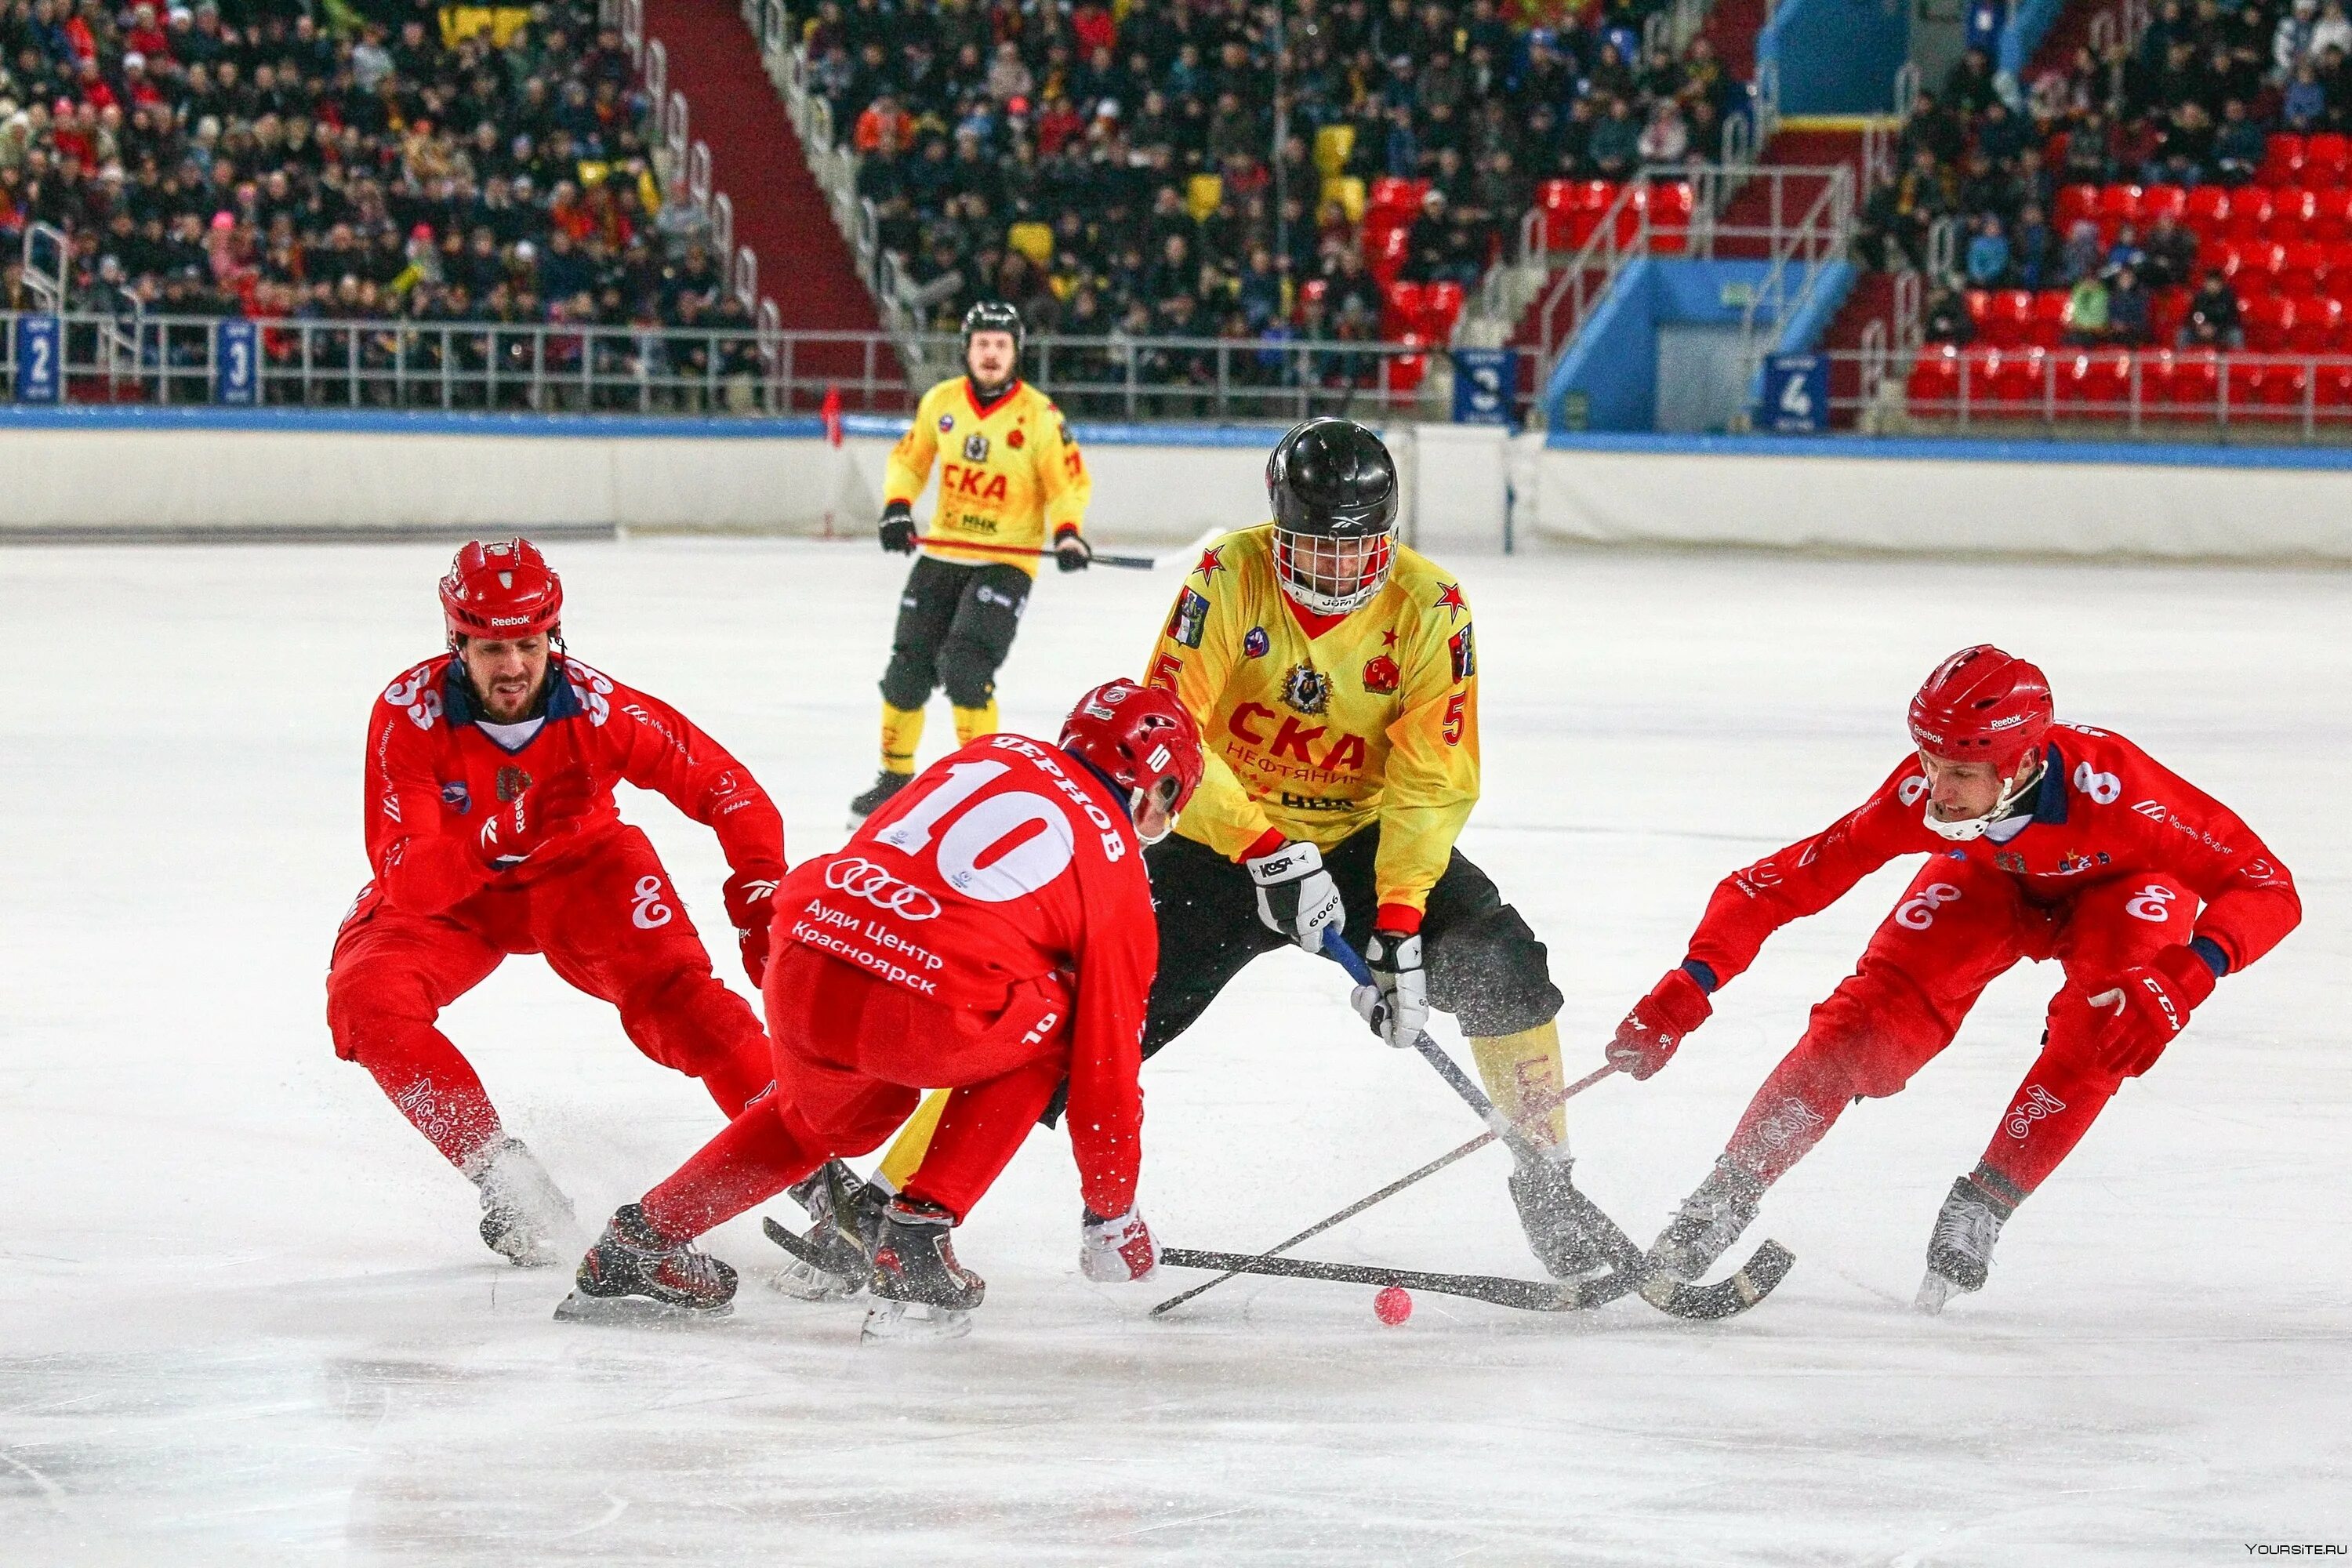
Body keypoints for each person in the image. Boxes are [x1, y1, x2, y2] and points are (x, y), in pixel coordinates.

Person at [820, 419, 1595, 1291]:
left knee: (1504, 965)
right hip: (1217, 841)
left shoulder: (1432, 607)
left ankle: (1551, 1182)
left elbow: (1433, 778)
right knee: (1075, 1025)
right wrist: (1265, 848)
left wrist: (1405, 919)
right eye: (1316, 550)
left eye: (1360, 552)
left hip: (1358, 841)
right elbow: (1172, 726)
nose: (1340, 574)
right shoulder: (1228, 574)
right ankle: (894, 1199)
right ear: (1278, 525)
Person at [1604, 646, 2300, 1310]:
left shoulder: (2125, 794)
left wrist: (2187, 975)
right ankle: (1721, 1200)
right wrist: (1690, 984)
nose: (1938, 791)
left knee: (2108, 1024)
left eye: (1962, 775)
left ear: (2025, 760)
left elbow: (2269, 888)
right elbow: (1777, 885)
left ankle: (1987, 1200)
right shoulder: (1927, 793)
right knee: (1865, 1026)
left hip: (2125, 888)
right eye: (1930, 762)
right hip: (1992, 877)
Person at [556, 679, 1203, 1339]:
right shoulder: (1118, 868)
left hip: (808, 954)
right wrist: (1112, 1218)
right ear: (1152, 785)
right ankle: (920, 1233)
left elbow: (881, 843)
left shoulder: (992, 753)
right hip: (924, 1001)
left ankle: (638, 1243)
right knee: (1070, 1020)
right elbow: (1107, 1073)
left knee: (818, 1119)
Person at [325, 540, 788, 1265]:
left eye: (529, 644)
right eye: (492, 648)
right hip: (457, 894)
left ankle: (818, 1178)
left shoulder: (603, 709)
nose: (512, 666)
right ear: (458, 643)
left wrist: (760, 888)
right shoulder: (405, 715)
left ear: (554, 638)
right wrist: (511, 826)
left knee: (688, 1005)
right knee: (365, 1000)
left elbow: (725, 786)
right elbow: (407, 878)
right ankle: (503, 1176)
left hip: (582, 879)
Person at [849, 300, 1097, 822]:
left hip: (1005, 563)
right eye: (982, 343)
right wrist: (897, 507)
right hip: (942, 553)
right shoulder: (941, 402)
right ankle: (894, 779)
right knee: (906, 673)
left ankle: (980, 786)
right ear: (966, 350)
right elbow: (910, 461)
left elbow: (1067, 484)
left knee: (965, 667)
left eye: (1000, 345)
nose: (990, 354)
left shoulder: (1041, 417)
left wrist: (1069, 534)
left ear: (1016, 353)